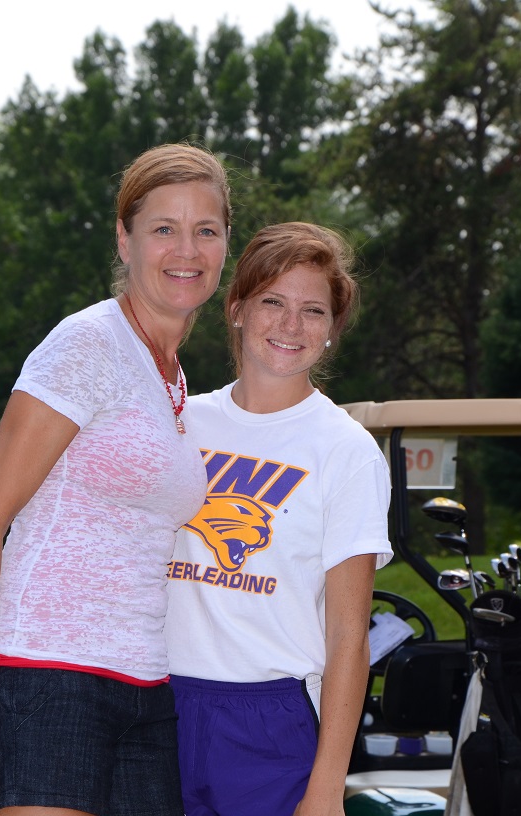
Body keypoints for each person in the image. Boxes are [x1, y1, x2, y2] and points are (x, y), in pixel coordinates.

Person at [0, 142, 232, 816]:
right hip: (46, 679)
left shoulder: (170, 378)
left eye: (206, 229)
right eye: (163, 229)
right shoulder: (86, 344)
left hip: (147, 690)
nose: (187, 249)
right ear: (125, 240)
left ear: (225, 244)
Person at [164, 222, 392, 816]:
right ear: (237, 308)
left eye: (313, 310)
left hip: (271, 720)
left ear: (333, 331)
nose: (291, 325)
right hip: (157, 703)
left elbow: (349, 638)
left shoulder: (345, 450)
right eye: (273, 301)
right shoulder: (182, 421)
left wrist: (326, 791)